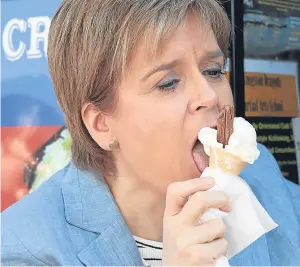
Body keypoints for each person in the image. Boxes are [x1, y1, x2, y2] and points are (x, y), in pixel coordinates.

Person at [2, 0, 300, 266]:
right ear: (101, 124)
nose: (210, 96)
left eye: (213, 70)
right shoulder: (27, 249)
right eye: (168, 82)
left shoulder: (259, 174)